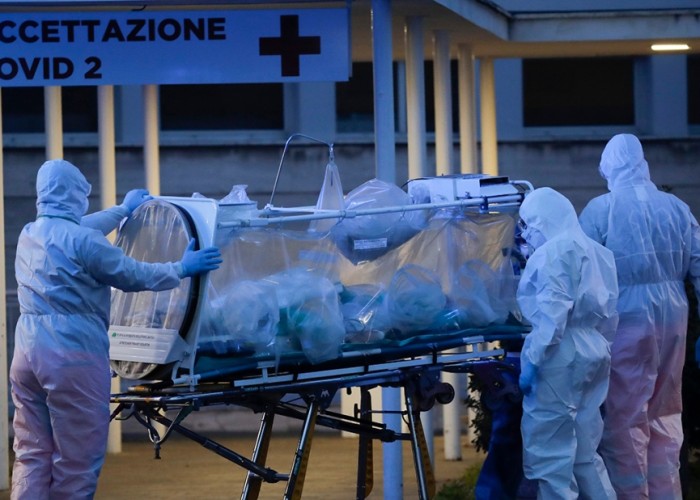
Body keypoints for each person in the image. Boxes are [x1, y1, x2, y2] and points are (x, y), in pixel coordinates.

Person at [10, 159, 223, 499]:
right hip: (70, 354)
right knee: (77, 455)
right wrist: (181, 268)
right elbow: (132, 274)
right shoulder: (85, 242)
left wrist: (122, 210)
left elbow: (75, 228)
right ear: (76, 194)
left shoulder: (30, 234)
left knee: (31, 450)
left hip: (26, 353)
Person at [579, 133, 700, 499]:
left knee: (625, 416)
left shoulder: (602, 209)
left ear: (609, 167)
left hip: (626, 317)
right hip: (674, 314)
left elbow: (580, 270)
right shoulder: (676, 207)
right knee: (666, 411)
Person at [517, 187, 619, 499]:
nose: (527, 236)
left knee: (550, 457)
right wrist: (603, 348)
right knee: (586, 453)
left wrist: (533, 361)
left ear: (543, 220)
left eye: (529, 226)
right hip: (594, 348)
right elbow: (611, 312)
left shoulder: (553, 252)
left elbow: (553, 316)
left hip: (560, 354)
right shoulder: (598, 251)